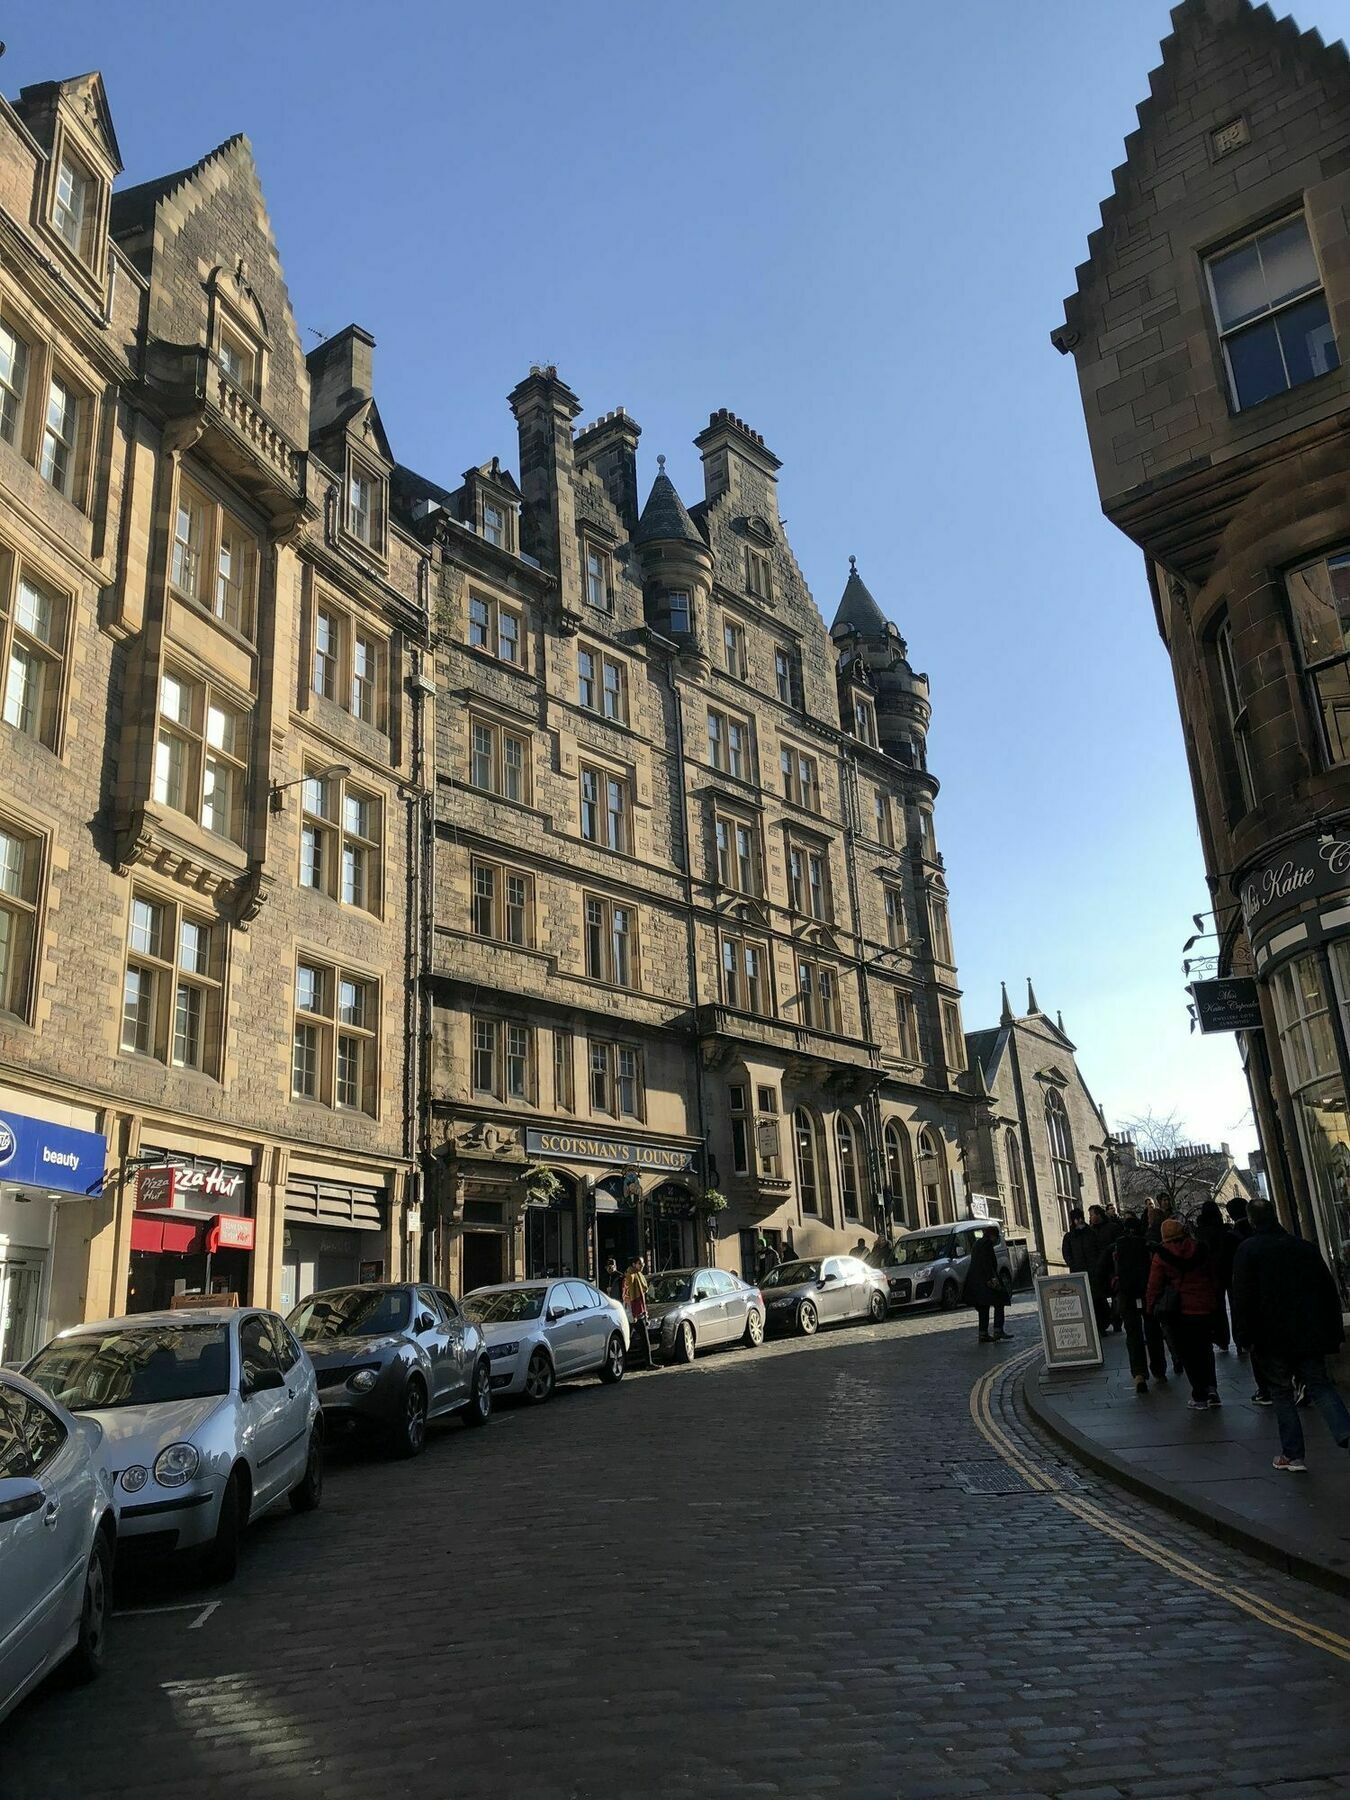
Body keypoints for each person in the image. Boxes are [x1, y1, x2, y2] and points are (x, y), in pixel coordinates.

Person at [1230, 1199, 1350, 1472]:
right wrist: (1332, 1330)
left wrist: (1244, 1336)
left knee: (1281, 1393)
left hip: (1270, 1337)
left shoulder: (1248, 1250)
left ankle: (1293, 1455)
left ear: (1252, 1221)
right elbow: (1327, 1290)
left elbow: (1244, 1298)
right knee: (1320, 1386)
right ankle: (1345, 1431)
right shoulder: (1303, 1247)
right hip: (1307, 1332)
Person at [1146, 1217, 1220, 1409]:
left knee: (1188, 1353)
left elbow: (1154, 1285)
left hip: (1179, 1311)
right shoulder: (1200, 1249)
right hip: (1203, 1306)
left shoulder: (1161, 1255)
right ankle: (1212, 1388)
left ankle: (1199, 1395)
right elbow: (1212, 1276)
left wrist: (1150, 1306)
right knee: (1205, 1350)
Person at [1114, 1213, 1167, 1393]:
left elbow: (1101, 1268)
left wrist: (1114, 1284)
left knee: (1133, 1334)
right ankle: (1159, 1370)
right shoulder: (1148, 1245)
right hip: (1147, 1293)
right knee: (1153, 1331)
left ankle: (1139, 1374)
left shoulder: (1116, 1246)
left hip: (1127, 1295)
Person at [1194, 1197, 1238, 1351]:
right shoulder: (1226, 1229)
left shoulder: (1201, 1232)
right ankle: (1240, 1340)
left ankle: (1222, 1339)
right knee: (1235, 1305)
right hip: (1230, 1270)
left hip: (1212, 1273)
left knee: (1218, 1307)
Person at [964, 1228, 1012, 1344]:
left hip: (976, 1281)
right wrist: (992, 1278)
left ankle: (983, 1333)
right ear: (993, 1236)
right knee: (1000, 1300)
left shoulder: (978, 1243)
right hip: (985, 1279)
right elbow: (986, 1262)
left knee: (983, 1307)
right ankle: (998, 1329)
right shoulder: (987, 1244)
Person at [623, 1255, 653, 1370]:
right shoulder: (629, 1276)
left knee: (633, 1338)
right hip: (633, 1311)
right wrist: (634, 1312)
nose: (642, 1266)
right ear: (634, 1264)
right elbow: (627, 1295)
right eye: (640, 1263)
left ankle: (647, 1363)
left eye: (643, 1263)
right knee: (638, 1338)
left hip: (639, 1310)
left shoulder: (638, 1275)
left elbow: (644, 1290)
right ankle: (648, 1363)